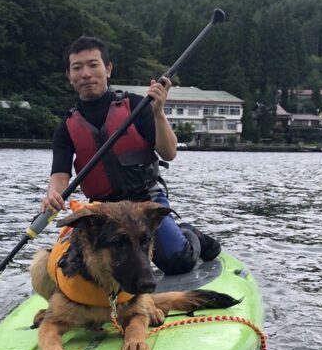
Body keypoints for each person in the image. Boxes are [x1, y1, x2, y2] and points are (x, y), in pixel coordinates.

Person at [40, 35, 220, 275]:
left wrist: (158, 113)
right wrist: (53, 193)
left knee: (178, 261)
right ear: (69, 76)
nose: (86, 73)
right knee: (75, 267)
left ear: (108, 69)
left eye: (93, 65)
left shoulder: (136, 105)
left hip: (145, 200)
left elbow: (169, 152)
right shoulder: (66, 127)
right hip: (103, 212)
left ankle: (188, 234)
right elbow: (60, 175)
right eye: (77, 67)